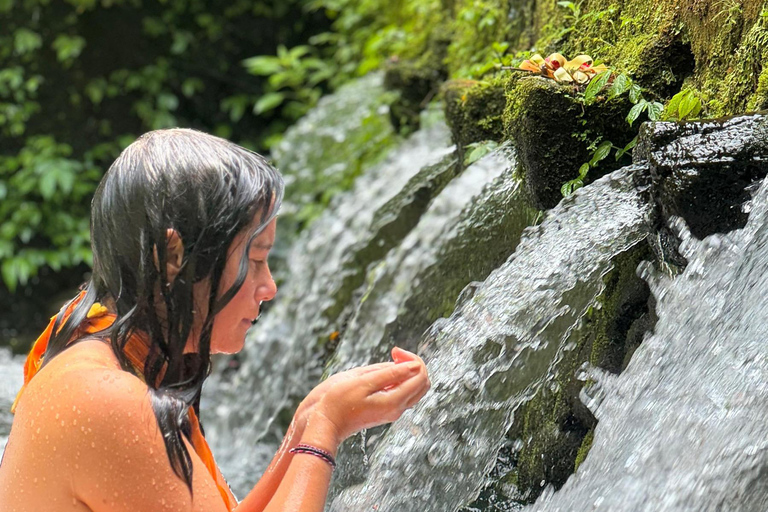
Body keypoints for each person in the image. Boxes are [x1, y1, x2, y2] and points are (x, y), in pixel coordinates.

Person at [0, 128, 430, 511]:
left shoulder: (109, 356)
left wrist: (305, 423)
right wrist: (325, 430)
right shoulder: (105, 400)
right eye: (256, 258)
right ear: (172, 257)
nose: (270, 287)